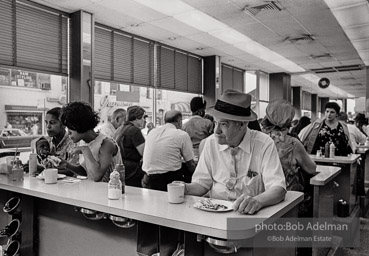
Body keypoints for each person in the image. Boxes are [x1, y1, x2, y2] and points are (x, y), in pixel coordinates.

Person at [184, 89, 286, 215]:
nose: (216, 131)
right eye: (216, 123)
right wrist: (185, 188)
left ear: (242, 124)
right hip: (215, 215)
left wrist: (257, 201)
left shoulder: (264, 144)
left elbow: (278, 188)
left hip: (250, 216)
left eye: (224, 124)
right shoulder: (210, 143)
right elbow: (202, 184)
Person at [261, 100, 317, 217]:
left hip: (263, 198)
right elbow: (311, 169)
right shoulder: (293, 144)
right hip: (288, 199)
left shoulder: (259, 140)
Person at [58, 101, 121, 182]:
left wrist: (85, 150)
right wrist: (67, 165)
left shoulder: (106, 144)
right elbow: (86, 172)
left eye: (70, 127)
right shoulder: (84, 142)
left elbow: (96, 176)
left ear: (81, 124)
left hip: (110, 192)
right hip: (93, 191)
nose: (68, 132)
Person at [142, 110, 195, 189]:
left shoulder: (152, 132)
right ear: (180, 122)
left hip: (147, 179)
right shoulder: (181, 135)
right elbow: (190, 163)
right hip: (169, 180)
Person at [114, 105, 146, 187]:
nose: (144, 121)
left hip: (120, 166)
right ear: (136, 118)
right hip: (133, 170)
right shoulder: (135, 131)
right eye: (142, 118)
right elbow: (144, 153)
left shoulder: (120, 129)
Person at [45, 107, 79, 175]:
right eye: (46, 122)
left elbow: (73, 171)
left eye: (52, 123)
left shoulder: (73, 143)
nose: (48, 126)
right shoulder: (47, 143)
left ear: (63, 125)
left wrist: (44, 170)